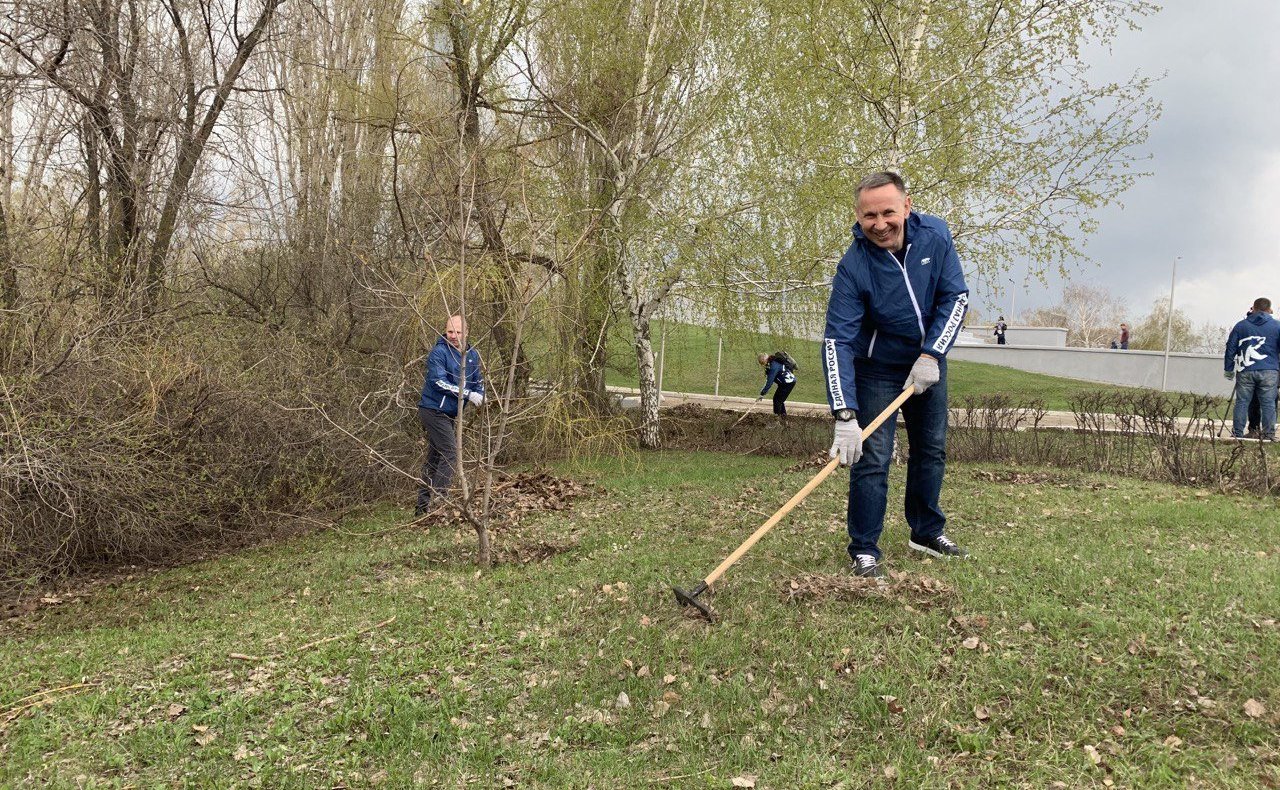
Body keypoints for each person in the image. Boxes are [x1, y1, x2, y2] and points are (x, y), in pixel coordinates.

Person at [822, 171, 970, 579]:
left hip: (927, 365)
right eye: (869, 215)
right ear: (858, 216)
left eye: (888, 211)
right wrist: (845, 414)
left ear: (906, 206)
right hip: (878, 372)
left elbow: (954, 296)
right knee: (873, 459)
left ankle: (925, 532)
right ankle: (865, 549)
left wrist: (932, 354)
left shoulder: (935, 236)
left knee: (931, 449)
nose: (880, 223)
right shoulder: (854, 266)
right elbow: (838, 341)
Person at [415, 314, 485, 516]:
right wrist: (466, 394)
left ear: (466, 332)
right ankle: (439, 503)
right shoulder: (438, 353)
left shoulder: (471, 354)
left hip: (450, 414)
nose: (453, 336)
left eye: (458, 332)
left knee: (435, 457)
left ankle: (422, 507)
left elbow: (477, 379)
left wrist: (480, 394)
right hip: (433, 410)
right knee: (450, 453)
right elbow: (439, 382)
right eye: (450, 331)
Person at [1224, 298, 1280, 441]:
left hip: (1245, 370)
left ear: (1253, 308)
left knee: (1242, 402)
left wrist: (1229, 369)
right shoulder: (1277, 326)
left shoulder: (1241, 326)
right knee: (1268, 403)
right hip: (1269, 371)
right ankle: (1269, 436)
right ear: (1269, 310)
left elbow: (1231, 348)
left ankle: (1237, 434)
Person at [758, 352, 798, 421]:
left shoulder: (773, 366)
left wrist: (762, 393)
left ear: (764, 361)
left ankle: (777, 422)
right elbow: (768, 380)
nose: (763, 365)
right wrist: (762, 393)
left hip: (787, 383)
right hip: (787, 383)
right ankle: (784, 421)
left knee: (777, 401)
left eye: (762, 363)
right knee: (779, 401)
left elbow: (769, 382)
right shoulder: (773, 362)